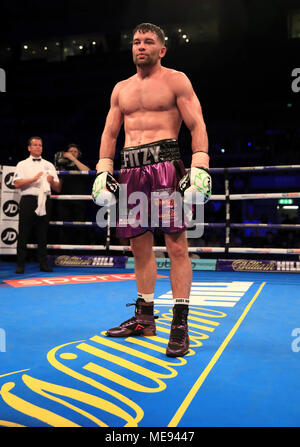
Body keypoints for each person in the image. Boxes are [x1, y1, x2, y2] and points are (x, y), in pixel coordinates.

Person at [92, 23, 211, 357]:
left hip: (165, 166)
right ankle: (144, 318)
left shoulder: (176, 80)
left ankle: (180, 325)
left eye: (147, 42)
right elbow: (109, 134)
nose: (140, 46)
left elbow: (197, 124)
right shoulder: (121, 89)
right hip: (130, 171)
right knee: (139, 248)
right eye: (135, 42)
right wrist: (104, 169)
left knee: (176, 247)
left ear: (162, 49)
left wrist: (199, 163)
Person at [13, 136, 61, 273]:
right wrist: (33, 179)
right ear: (29, 147)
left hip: (45, 199)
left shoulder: (49, 165)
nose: (38, 147)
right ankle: (20, 264)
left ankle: (43, 264)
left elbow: (57, 188)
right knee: (23, 232)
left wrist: (51, 182)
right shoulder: (22, 164)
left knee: (42, 233)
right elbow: (16, 183)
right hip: (28, 199)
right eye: (35, 145)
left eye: (40, 145)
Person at [54, 144, 89, 244]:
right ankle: (64, 252)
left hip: (79, 202)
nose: (73, 153)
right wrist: (58, 171)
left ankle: (79, 253)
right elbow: (58, 188)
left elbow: (88, 171)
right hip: (64, 202)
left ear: (78, 154)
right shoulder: (62, 167)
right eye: (70, 151)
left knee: (79, 228)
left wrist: (73, 159)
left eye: (75, 151)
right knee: (64, 228)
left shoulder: (80, 165)